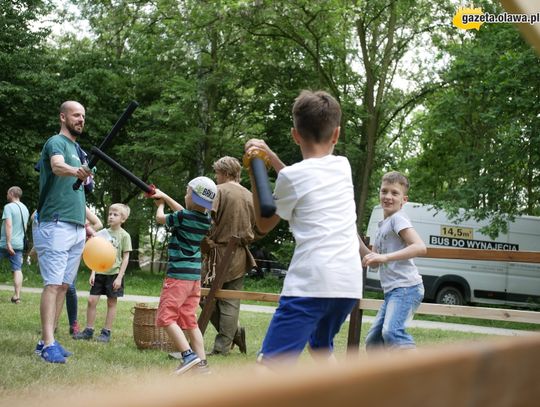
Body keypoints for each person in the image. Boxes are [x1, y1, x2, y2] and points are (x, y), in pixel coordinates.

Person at [244, 90, 363, 365]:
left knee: (271, 367)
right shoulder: (343, 166)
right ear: (336, 134)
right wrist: (270, 156)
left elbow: (263, 224)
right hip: (347, 284)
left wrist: (255, 167)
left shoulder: (293, 177)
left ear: (295, 135)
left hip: (312, 282)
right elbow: (302, 181)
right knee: (321, 348)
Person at [33, 100, 93, 363]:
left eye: (83, 116)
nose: (80, 119)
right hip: (55, 222)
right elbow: (57, 167)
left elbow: (83, 187)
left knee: (64, 285)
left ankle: (49, 340)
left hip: (78, 226)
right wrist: (76, 171)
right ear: (62, 117)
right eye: (76, 115)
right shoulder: (55, 143)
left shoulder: (78, 149)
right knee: (53, 284)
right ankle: (48, 345)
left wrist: (88, 225)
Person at [153, 177, 216, 375]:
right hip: (193, 278)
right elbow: (183, 210)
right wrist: (164, 195)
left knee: (165, 317)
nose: (185, 195)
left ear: (194, 198)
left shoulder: (182, 217)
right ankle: (202, 365)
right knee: (189, 320)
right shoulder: (205, 220)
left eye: (188, 193)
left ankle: (188, 356)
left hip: (178, 277)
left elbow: (160, 219)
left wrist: (160, 205)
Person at [201, 156, 264, 356]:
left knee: (204, 297)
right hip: (239, 255)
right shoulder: (250, 195)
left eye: (217, 172)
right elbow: (262, 228)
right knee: (230, 301)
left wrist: (205, 243)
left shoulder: (218, 191)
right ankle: (230, 337)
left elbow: (205, 220)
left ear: (226, 173)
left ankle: (226, 343)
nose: (215, 176)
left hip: (217, 254)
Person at [361, 171, 427, 350]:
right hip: (392, 291)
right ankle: (384, 378)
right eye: (384, 191)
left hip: (406, 288)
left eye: (394, 193)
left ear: (404, 200)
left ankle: (422, 375)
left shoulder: (398, 219)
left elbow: (420, 247)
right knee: (373, 342)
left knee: (392, 332)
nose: (388, 196)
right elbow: (373, 261)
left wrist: (385, 257)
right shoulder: (381, 226)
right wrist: (354, 237)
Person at [73, 203, 131, 343]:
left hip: (114, 275)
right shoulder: (102, 233)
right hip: (100, 272)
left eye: (115, 214)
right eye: (110, 214)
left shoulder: (125, 236)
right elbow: (95, 254)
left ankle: (106, 332)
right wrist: (93, 272)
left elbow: (126, 257)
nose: (111, 216)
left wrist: (119, 277)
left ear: (123, 219)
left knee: (111, 303)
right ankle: (89, 330)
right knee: (91, 300)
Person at [66, 206, 103, 335]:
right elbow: (34, 217)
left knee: (69, 287)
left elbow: (98, 223)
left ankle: (73, 323)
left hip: (75, 248)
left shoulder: (80, 203)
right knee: (53, 285)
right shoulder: (56, 197)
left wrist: (85, 230)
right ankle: (51, 325)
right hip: (58, 244)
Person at [0, 186, 30, 304]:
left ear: (12, 193)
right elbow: (25, 227)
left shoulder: (8, 207)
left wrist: (8, 243)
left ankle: (17, 296)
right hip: (19, 244)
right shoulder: (25, 209)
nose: (7, 195)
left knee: (17, 269)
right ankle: (17, 296)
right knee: (17, 269)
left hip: (5, 243)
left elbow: (8, 224)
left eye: (8, 193)